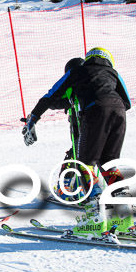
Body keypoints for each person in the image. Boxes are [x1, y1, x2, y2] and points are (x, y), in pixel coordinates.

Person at [22, 48, 132, 241]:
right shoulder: (112, 72)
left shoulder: (77, 72)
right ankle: (124, 218)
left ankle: (95, 221)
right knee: (108, 164)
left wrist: (33, 118)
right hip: (120, 113)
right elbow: (128, 102)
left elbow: (50, 95)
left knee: (85, 165)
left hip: (95, 111)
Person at [22, 57, 85, 192]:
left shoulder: (72, 84)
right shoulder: (90, 86)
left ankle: (67, 188)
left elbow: (51, 100)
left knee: (76, 155)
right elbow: (55, 103)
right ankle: (78, 187)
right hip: (98, 126)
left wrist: (34, 117)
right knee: (90, 156)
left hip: (80, 130)